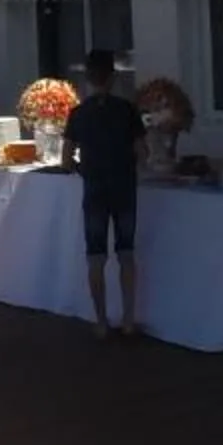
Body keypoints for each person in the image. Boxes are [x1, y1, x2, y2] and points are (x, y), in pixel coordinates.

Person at [64, 48, 148, 341]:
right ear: (113, 77)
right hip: (124, 188)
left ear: (87, 78)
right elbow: (143, 152)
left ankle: (100, 321)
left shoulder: (78, 114)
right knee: (126, 253)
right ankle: (127, 319)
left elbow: (65, 160)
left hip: (95, 191)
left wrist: (83, 168)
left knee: (96, 257)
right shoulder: (127, 110)